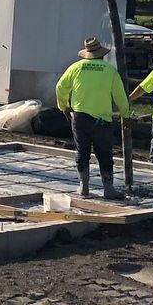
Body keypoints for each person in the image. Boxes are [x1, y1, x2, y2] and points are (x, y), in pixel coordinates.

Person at [56, 37, 130, 198]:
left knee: (82, 152)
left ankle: (83, 187)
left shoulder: (76, 68)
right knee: (104, 153)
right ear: (102, 55)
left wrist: (64, 107)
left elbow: (60, 87)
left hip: (80, 117)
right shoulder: (109, 70)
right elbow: (120, 96)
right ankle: (109, 189)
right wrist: (126, 115)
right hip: (102, 120)